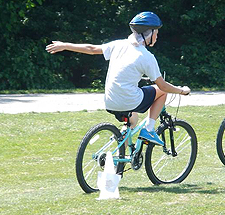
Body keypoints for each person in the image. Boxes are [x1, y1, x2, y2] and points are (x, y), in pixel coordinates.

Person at [46, 11, 190, 146]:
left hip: (110, 101)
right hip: (129, 100)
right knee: (161, 92)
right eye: (156, 33)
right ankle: (149, 130)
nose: (157, 37)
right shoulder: (146, 57)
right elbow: (163, 86)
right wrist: (181, 91)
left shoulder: (118, 45)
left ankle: (123, 155)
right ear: (149, 34)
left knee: (132, 120)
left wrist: (65, 45)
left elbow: (91, 49)